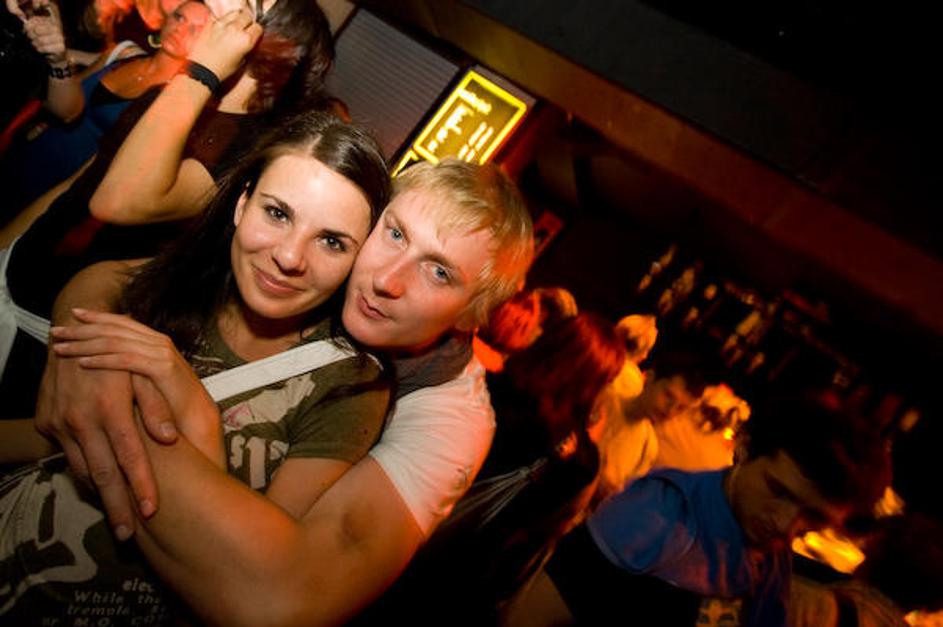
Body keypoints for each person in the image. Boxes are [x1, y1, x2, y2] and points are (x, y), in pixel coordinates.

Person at [29, 157, 535, 624]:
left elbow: (283, 601)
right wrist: (82, 348)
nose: (388, 279)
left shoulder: (451, 419)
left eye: (439, 272)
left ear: (471, 315)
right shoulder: (319, 257)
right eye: (396, 233)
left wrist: (114, 394)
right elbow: (114, 279)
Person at [0, 109, 393, 622]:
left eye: (332, 241)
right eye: (277, 213)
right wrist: (79, 346)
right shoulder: (188, 283)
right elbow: (66, 432)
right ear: (242, 204)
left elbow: (243, 573)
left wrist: (192, 406)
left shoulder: (347, 383)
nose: (290, 257)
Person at [0, 0, 335, 415]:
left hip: (43, 335)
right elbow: (78, 187)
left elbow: (117, 201)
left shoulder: (247, 155)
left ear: (266, 43)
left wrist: (203, 71)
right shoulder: (173, 94)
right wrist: (6, 243)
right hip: (12, 269)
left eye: (246, 4)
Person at [356, 304, 625, 625]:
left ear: (549, 343)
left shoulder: (480, 389)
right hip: (464, 579)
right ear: (599, 383)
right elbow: (536, 538)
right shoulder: (581, 462)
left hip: (398, 533)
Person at [546, 389, 893, 627]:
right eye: (777, 490)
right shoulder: (657, 514)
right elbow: (535, 615)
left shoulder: (771, 559)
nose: (785, 524)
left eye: (813, 517)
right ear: (744, 448)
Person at [1, 0, 209, 215]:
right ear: (167, 19)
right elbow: (65, 94)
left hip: (61, 188)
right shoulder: (124, 53)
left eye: (196, 29)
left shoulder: (172, 103)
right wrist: (41, 117)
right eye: (180, 17)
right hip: (31, 152)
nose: (181, 29)